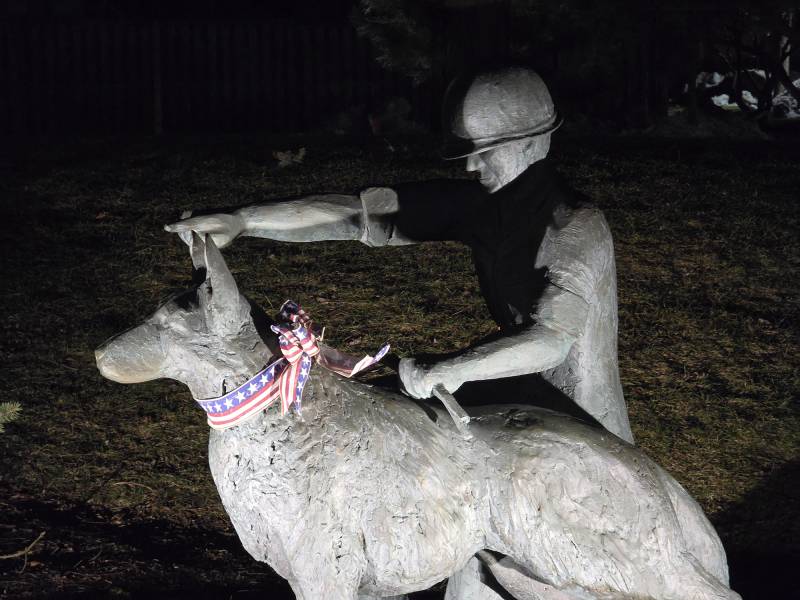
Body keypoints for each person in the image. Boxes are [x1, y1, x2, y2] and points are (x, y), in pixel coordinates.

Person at [166, 66, 634, 444]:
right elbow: (358, 216)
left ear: (534, 143)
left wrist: (449, 369)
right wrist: (244, 221)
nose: (472, 165)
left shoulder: (578, 226)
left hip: (583, 427)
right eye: (469, 151)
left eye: (486, 151)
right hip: (517, 395)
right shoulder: (484, 208)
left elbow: (552, 339)